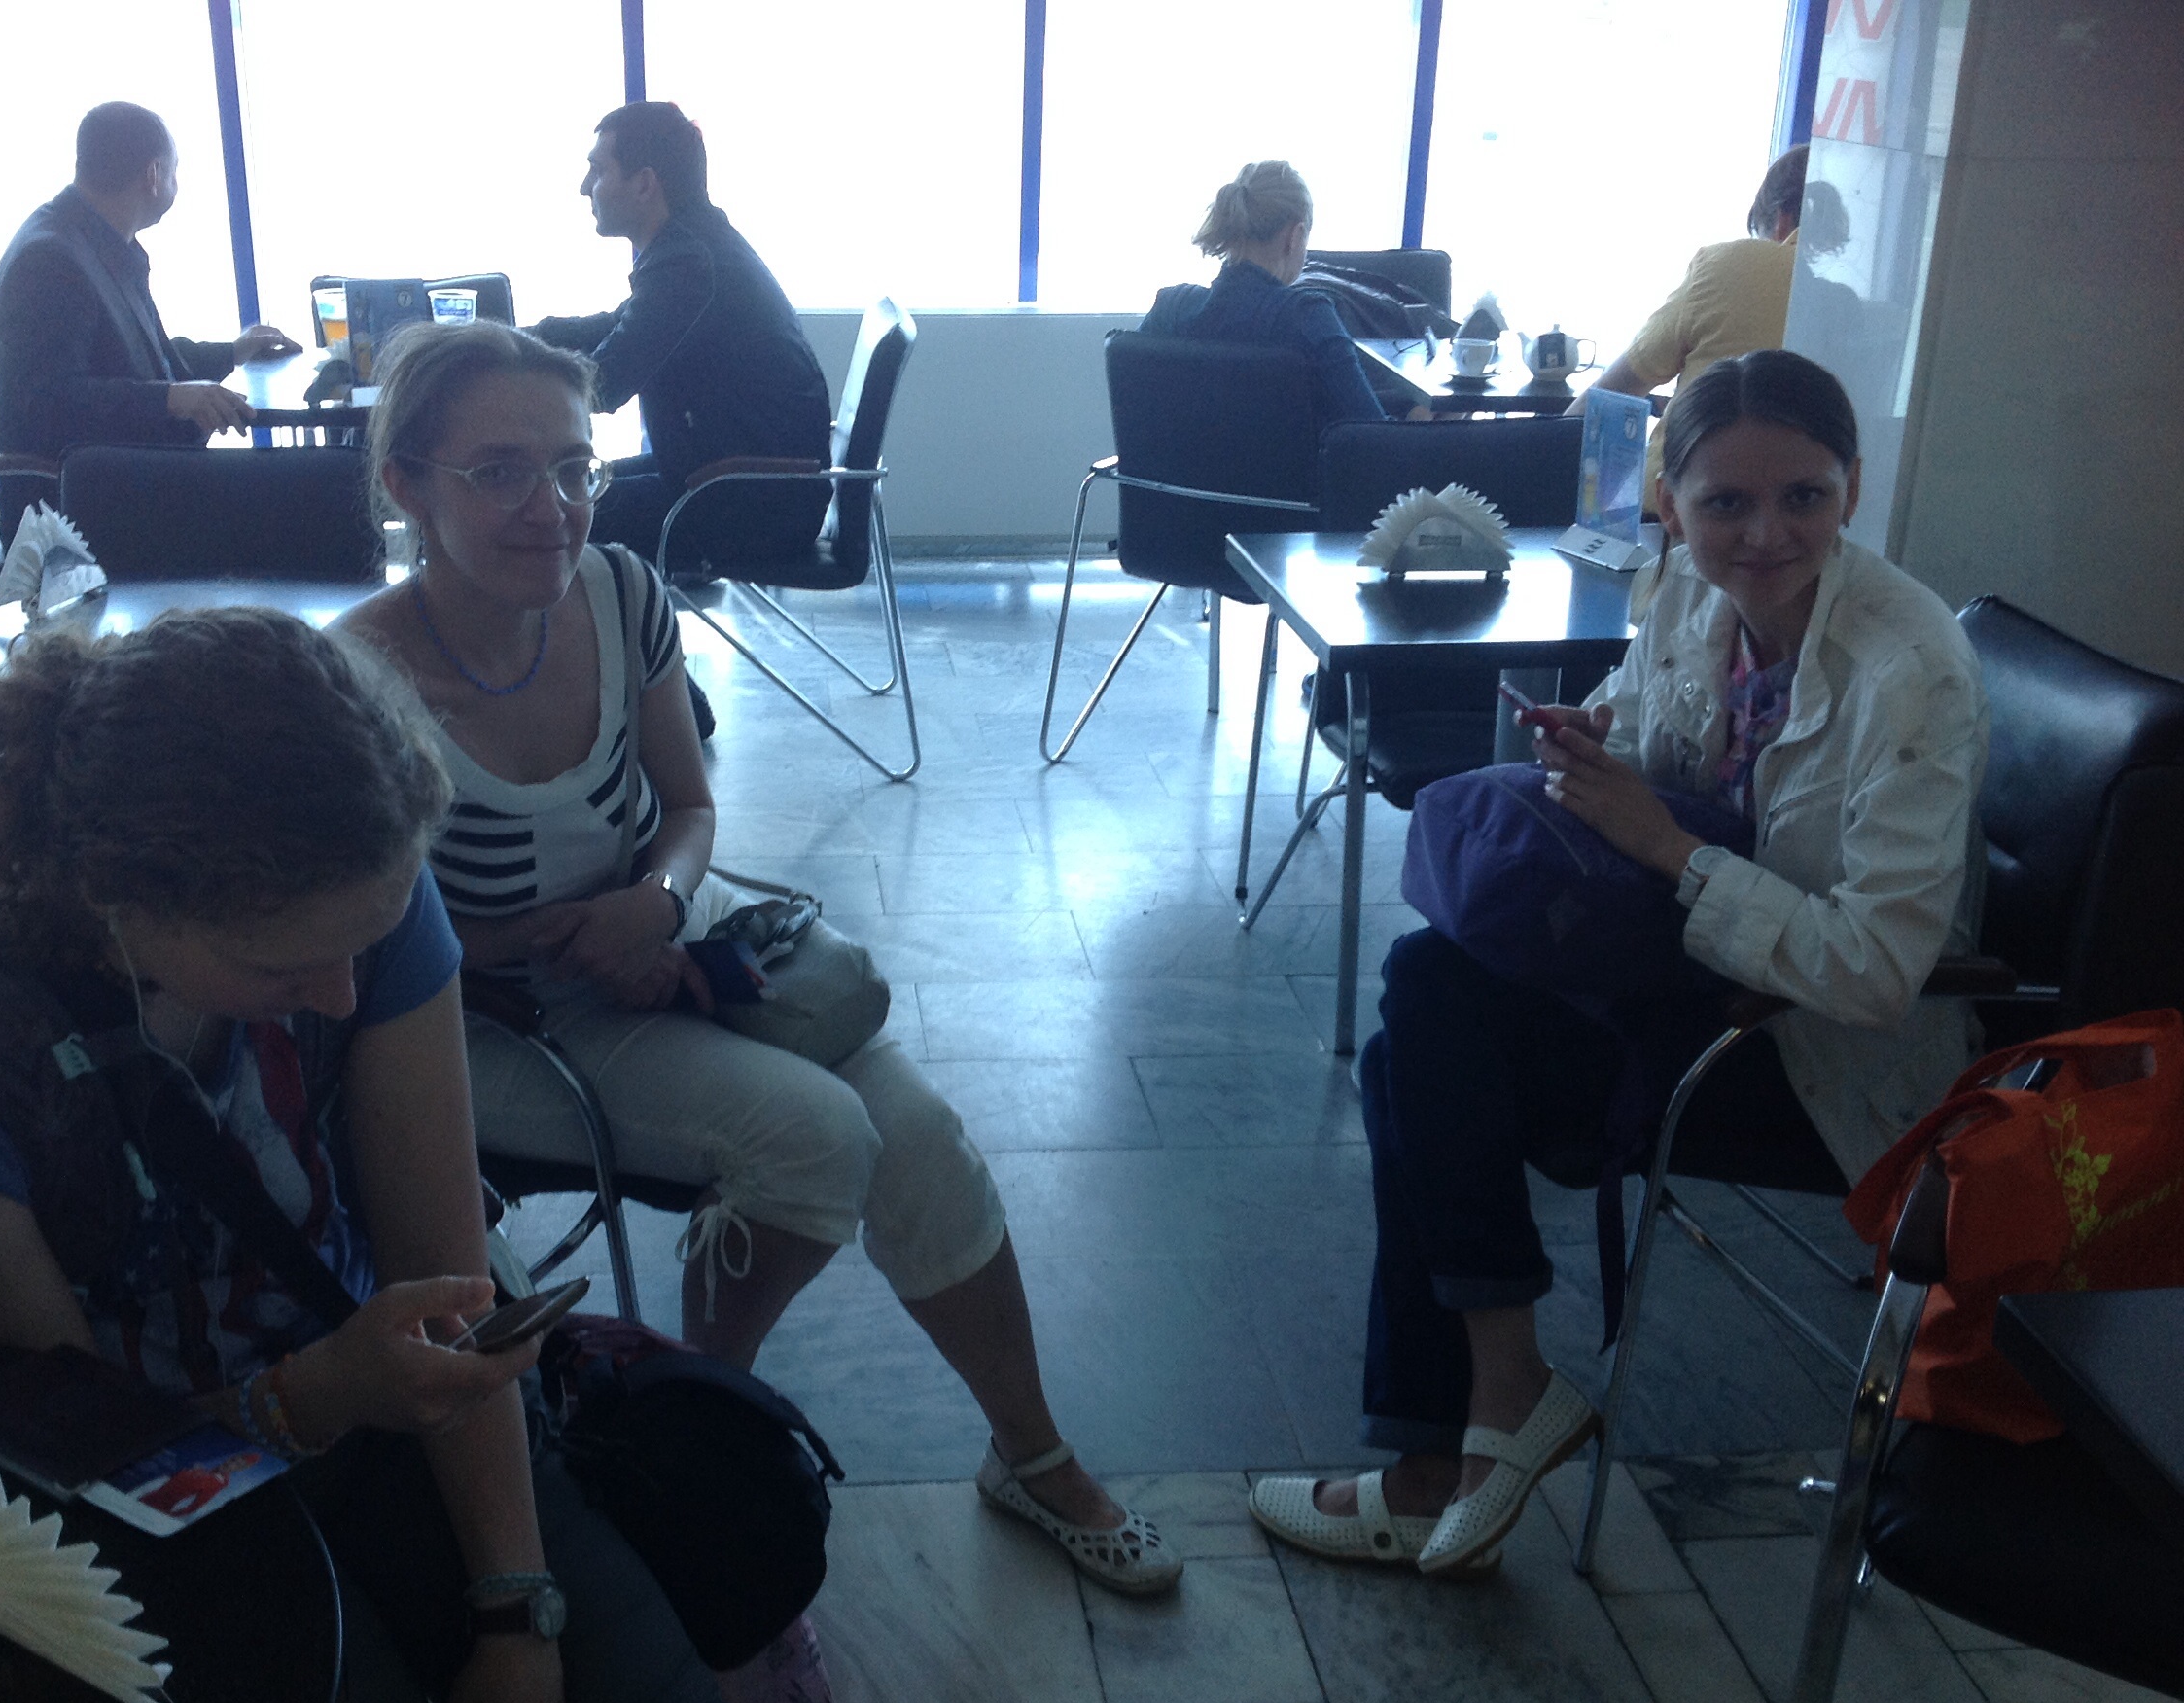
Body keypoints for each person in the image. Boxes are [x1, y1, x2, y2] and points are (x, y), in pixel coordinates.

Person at [0, 608, 823, 1703]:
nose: (344, 997)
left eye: (366, 945)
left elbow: (444, 1286)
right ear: (118, 899)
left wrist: (519, 1613)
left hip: (394, 1415)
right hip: (160, 1543)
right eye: (283, 969)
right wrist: (315, 1395)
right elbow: (77, 1475)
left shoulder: (356, 898)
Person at [336, 318, 1183, 1601]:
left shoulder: (620, 591)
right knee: (819, 1138)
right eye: (500, 472)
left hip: (667, 933)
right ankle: (702, 1429)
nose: (551, 508)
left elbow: (687, 806)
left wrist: (659, 905)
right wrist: (579, 938)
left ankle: (1030, 1452)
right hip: (487, 1016)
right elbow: (361, 946)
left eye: (572, 467)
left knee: (921, 1136)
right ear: (407, 483)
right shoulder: (359, 680)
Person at [1251, 350, 1987, 1577]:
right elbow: (1653, 752)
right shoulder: (1691, 593)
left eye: (1804, 496)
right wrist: (1600, 751)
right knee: (1427, 1010)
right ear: (1671, 505)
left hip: (1814, 1057)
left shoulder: (1907, 671)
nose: (1765, 534)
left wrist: (1666, 845)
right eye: (1725, 502)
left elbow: (1875, 971)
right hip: (1689, 985)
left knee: (1417, 1037)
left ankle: (1463, 1435)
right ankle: (1492, 1406)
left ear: (1853, 488)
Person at [529, 102, 832, 575]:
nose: (585, 187)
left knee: (538, 515)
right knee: (554, 493)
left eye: (598, 171)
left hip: (744, 504)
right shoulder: (695, 245)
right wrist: (521, 339)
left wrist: (512, 383)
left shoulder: (688, 262)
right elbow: (617, 326)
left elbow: (606, 382)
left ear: (644, 184)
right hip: (748, 486)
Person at [0, 101, 299, 548]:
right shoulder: (50, 261)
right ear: (153, 175)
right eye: (175, 170)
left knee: (300, 484)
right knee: (309, 487)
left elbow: (144, 359)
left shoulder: (95, 242)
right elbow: (49, 403)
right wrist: (171, 400)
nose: (176, 182)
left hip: (129, 478)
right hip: (86, 507)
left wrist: (232, 352)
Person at [1568, 144, 1814, 506]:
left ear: (1781, 220)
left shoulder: (1728, 266)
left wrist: (1545, 454)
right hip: (1799, 518)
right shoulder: (1864, 304)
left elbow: (1612, 394)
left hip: (1678, 517)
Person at [1140, 160, 1389, 427]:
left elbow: (1134, 399)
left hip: (1183, 456)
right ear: (1295, 236)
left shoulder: (1169, 308)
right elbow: (1371, 432)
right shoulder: (1308, 315)